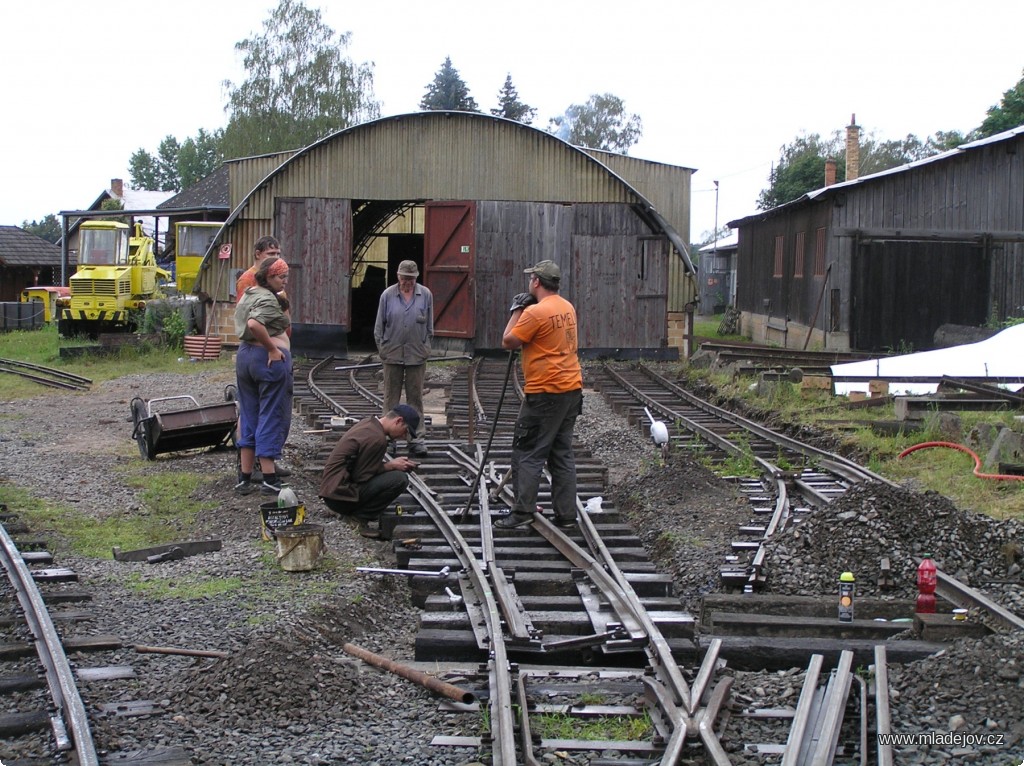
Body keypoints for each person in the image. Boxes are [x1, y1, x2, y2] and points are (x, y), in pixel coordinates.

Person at [495, 260, 583, 529]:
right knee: (561, 453)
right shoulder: (567, 307)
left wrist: (517, 310)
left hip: (545, 392)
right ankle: (567, 515)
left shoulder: (536, 312)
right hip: (571, 389)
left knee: (527, 451)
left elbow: (508, 341)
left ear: (536, 282)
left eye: (530, 278)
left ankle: (522, 510)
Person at [233, 256, 293, 495]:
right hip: (265, 360)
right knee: (270, 415)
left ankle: (244, 477)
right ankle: (269, 478)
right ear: (269, 277)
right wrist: (272, 349)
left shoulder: (250, 292)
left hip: (245, 357)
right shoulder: (267, 298)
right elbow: (255, 324)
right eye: (281, 277)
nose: (285, 281)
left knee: (249, 415)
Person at [319, 404, 422, 538]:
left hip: (333, 491)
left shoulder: (369, 424)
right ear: (398, 421)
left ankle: (350, 513)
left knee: (393, 476)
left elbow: (360, 468)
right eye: (406, 431)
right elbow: (362, 477)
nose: (403, 436)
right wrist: (390, 466)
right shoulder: (377, 439)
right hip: (339, 497)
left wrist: (389, 465)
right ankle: (357, 520)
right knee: (399, 479)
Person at [374, 260, 433, 458]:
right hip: (392, 353)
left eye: (411, 278)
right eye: (404, 278)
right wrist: (382, 350)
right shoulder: (387, 295)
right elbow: (379, 327)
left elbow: (430, 327)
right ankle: (388, 440)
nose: (407, 281)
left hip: (417, 354)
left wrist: (426, 348)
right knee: (391, 398)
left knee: (415, 399)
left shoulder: (425, 295)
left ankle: (416, 440)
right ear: (397, 277)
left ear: (416, 278)